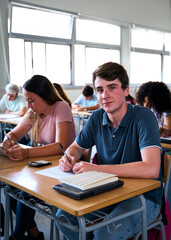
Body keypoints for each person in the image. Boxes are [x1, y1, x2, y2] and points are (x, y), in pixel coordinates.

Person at [56, 62, 163, 240]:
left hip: (144, 197)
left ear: (126, 90)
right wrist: (69, 157)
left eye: (112, 87)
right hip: (108, 190)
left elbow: (151, 169)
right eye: (99, 90)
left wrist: (97, 169)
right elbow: (75, 147)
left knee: (104, 233)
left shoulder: (144, 116)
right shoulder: (97, 117)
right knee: (64, 217)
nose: (104, 95)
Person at [2, 75, 76, 240]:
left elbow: (60, 146)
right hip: (44, 165)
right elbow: (15, 132)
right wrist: (8, 140)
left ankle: (17, 236)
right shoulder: (33, 112)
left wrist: (26, 153)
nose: (28, 105)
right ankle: (34, 233)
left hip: (64, 168)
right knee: (11, 190)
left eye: (31, 100)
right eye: (27, 101)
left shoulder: (60, 107)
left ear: (45, 96)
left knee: (25, 192)